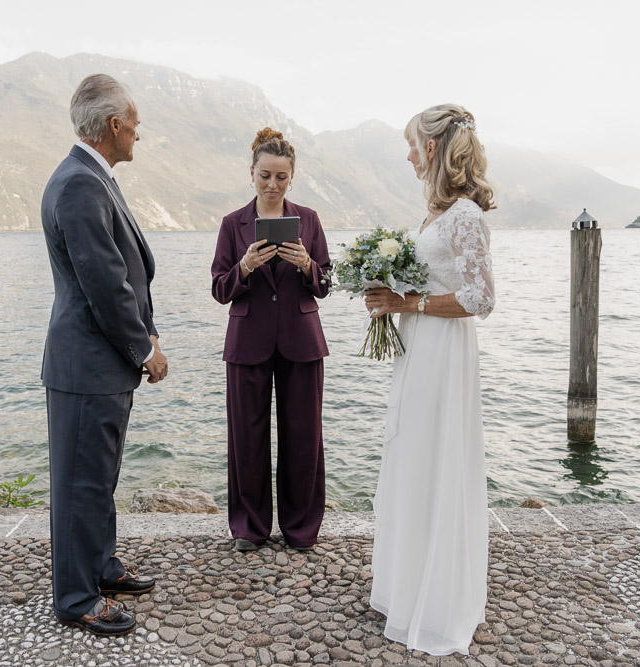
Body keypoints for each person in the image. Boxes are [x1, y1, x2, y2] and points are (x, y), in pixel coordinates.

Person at [363, 104, 496, 656]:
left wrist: (406, 300)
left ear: (435, 148)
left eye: (413, 143)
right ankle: (407, 584)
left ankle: (438, 599)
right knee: (414, 455)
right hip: (419, 347)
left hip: (444, 353)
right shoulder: (435, 216)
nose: (409, 153)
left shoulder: (465, 215)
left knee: (437, 457)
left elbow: (480, 298)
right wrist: (388, 298)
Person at [40, 74, 168, 636]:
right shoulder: (79, 184)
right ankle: (74, 598)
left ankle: (100, 566)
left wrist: (149, 334)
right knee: (80, 484)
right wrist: (144, 347)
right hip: (89, 363)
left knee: (100, 476)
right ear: (114, 125)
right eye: (135, 121)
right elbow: (104, 281)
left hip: (99, 364)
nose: (140, 132)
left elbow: (123, 273)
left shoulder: (92, 177)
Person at [210, 128, 332, 552]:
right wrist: (243, 267)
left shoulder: (310, 220)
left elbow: (326, 283)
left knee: (303, 436)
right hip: (247, 342)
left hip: (302, 339)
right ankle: (249, 527)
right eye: (265, 175)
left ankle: (301, 529)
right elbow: (219, 288)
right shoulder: (232, 224)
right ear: (252, 173)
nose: (272, 184)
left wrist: (307, 265)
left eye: (281, 176)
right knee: (246, 436)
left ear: (292, 176)